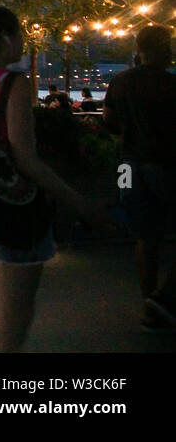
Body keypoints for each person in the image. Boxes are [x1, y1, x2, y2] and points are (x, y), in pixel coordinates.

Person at [0, 3, 111, 351]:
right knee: (11, 320)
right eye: (19, 34)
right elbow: (26, 159)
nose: (23, 42)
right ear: (5, 38)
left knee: (6, 306)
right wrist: (79, 202)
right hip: (9, 202)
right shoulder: (14, 84)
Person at [104, 26, 176, 330]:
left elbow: (109, 121)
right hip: (166, 166)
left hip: (129, 166)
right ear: (164, 49)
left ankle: (150, 305)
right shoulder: (171, 85)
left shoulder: (121, 81)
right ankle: (163, 297)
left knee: (146, 238)